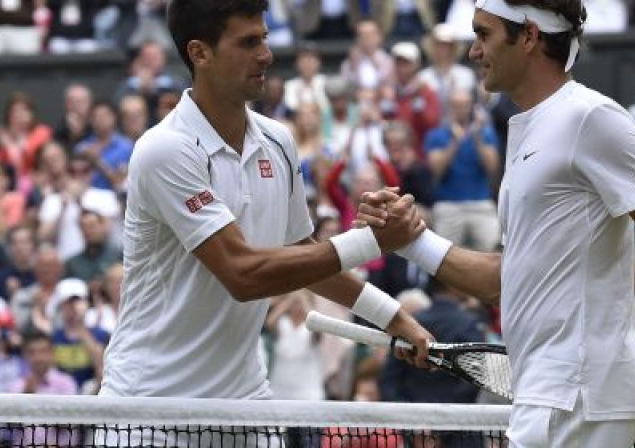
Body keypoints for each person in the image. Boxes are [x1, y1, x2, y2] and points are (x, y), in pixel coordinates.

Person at [356, 0, 635, 446]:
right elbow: (504, 279)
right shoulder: (530, 129)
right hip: (556, 391)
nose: (473, 51)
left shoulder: (590, 117)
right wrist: (411, 241)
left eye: (484, 34)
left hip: (580, 391)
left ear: (528, 36)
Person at [99, 0, 432, 406]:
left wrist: (395, 318)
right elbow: (244, 274)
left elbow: (301, 258)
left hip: (244, 399)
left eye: (265, 38)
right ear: (199, 53)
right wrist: (369, 243)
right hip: (149, 406)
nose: (266, 54)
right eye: (248, 42)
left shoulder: (278, 141)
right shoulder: (165, 149)